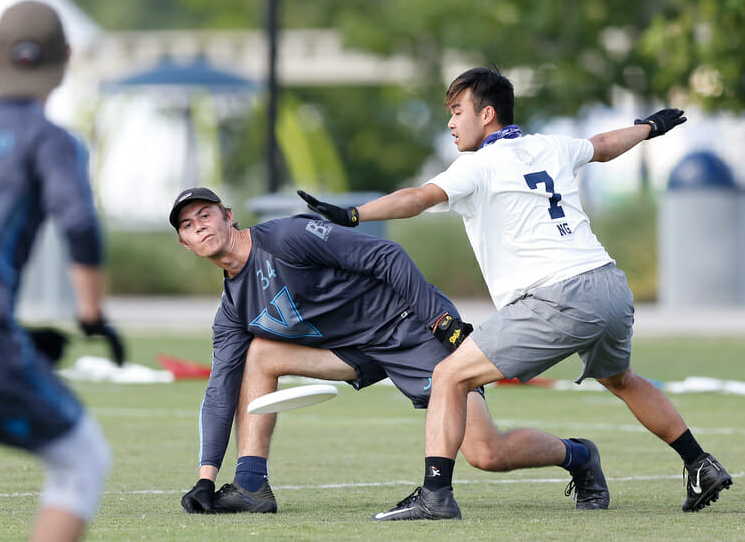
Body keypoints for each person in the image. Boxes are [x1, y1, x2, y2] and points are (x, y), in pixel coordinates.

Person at [298, 66, 733, 520]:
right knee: (621, 380)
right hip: (608, 285)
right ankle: (699, 461)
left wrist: (353, 214)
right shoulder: (549, 144)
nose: (450, 122)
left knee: (449, 376)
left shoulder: (478, 164)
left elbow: (417, 198)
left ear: (487, 114)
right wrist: (650, 127)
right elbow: (603, 147)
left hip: (555, 297)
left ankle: (435, 496)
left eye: (457, 111)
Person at [172, 186, 611, 516]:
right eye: (189, 226)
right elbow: (218, 391)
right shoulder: (232, 311)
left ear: (228, 216)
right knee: (259, 354)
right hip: (356, 351)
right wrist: (205, 477)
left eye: (206, 215)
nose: (201, 227)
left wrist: (441, 323)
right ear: (185, 244)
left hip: (410, 328)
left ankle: (579, 455)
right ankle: (250, 485)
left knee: (486, 453)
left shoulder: (286, 236)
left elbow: (388, 256)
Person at [0, 1, 125, 542]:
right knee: (82, 461)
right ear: (66, 58)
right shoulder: (48, 138)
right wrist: (90, 313)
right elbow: (77, 220)